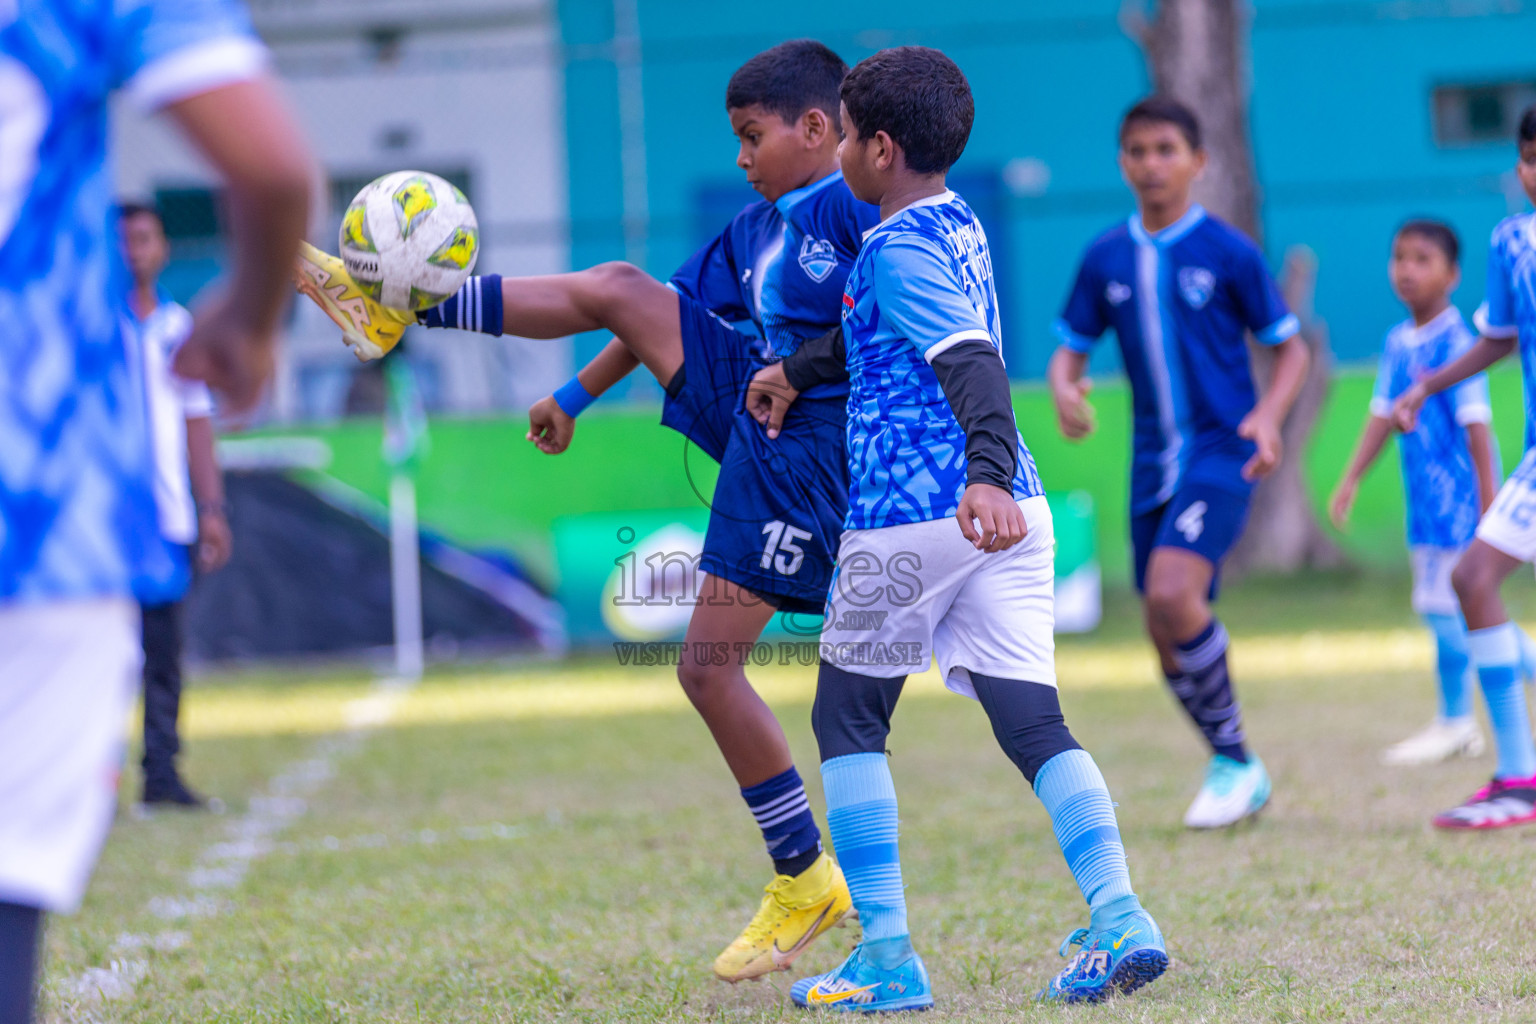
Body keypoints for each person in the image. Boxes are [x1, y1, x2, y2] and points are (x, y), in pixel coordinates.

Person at [292, 40, 880, 982]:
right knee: (616, 282)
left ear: (818, 128)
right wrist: (572, 397)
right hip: (764, 423)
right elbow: (645, 309)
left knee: (709, 670)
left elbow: (885, 325)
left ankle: (808, 880)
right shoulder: (756, 226)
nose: (740, 156)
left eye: (751, 135)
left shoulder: (859, 208)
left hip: (820, 447)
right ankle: (395, 312)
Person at [747, 46, 1168, 1010]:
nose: (841, 147)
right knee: (1033, 723)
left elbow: (968, 357)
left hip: (919, 515)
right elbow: (875, 332)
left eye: (849, 133)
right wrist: (798, 371)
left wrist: (977, 474)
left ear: (879, 147)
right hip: (1014, 515)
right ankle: (1119, 913)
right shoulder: (947, 219)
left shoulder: (892, 246)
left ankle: (888, 957)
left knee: (847, 719)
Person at [0, 2, 313, 1020]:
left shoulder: (160, 322)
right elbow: (269, 169)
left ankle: (164, 771)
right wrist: (253, 314)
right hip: (41, 507)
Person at [1045, 96, 1311, 830]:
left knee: (1170, 591)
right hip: (1150, 463)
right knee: (1163, 630)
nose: (1152, 164)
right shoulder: (1104, 257)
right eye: (1137, 150)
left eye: (1167, 149)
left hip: (1223, 452)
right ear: (1122, 163)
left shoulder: (1228, 252)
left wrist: (1267, 415)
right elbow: (1070, 347)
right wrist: (1067, 389)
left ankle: (1234, 760)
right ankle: (1234, 763)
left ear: (1199, 160)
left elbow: (1290, 346)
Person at [1330, 219, 1525, 766]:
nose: (1407, 270)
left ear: (1453, 274)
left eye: (1422, 259)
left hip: (1463, 511)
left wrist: (1489, 511)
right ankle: (1459, 719)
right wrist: (1350, 478)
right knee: (1450, 613)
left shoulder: (1459, 343)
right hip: (1426, 511)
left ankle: (1455, 722)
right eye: (1399, 258)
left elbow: (1478, 431)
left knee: (1448, 614)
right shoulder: (1398, 342)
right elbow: (1380, 417)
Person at [1391, 104, 1536, 830]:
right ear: (1521, 167)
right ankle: (1519, 779)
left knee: (1469, 578)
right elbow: (1497, 341)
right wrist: (1427, 383)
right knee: (1472, 578)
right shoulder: (1512, 242)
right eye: (1533, 160)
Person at [120, 202, 235, 808]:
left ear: (162, 248)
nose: (133, 250)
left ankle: (161, 776)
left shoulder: (179, 329)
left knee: (163, 657)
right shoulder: (91, 329)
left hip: (167, 522)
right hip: (101, 527)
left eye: (143, 238)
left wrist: (210, 509)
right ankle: (86, 785)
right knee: (98, 659)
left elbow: (197, 423)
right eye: (123, 241)